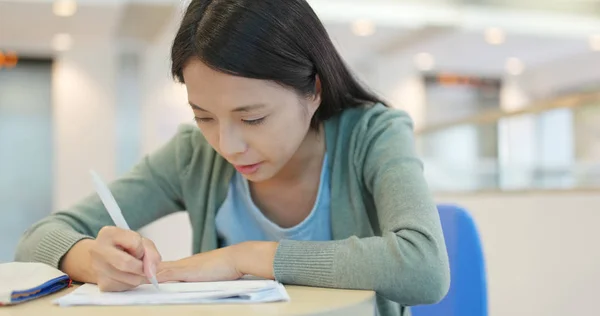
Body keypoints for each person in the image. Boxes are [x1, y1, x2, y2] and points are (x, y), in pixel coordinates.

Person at [15, 0, 450, 315]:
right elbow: (38, 238)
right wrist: (95, 259)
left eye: (253, 118)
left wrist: (244, 258)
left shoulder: (372, 134)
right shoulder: (192, 155)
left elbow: (425, 269)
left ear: (313, 91)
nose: (227, 145)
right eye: (203, 116)